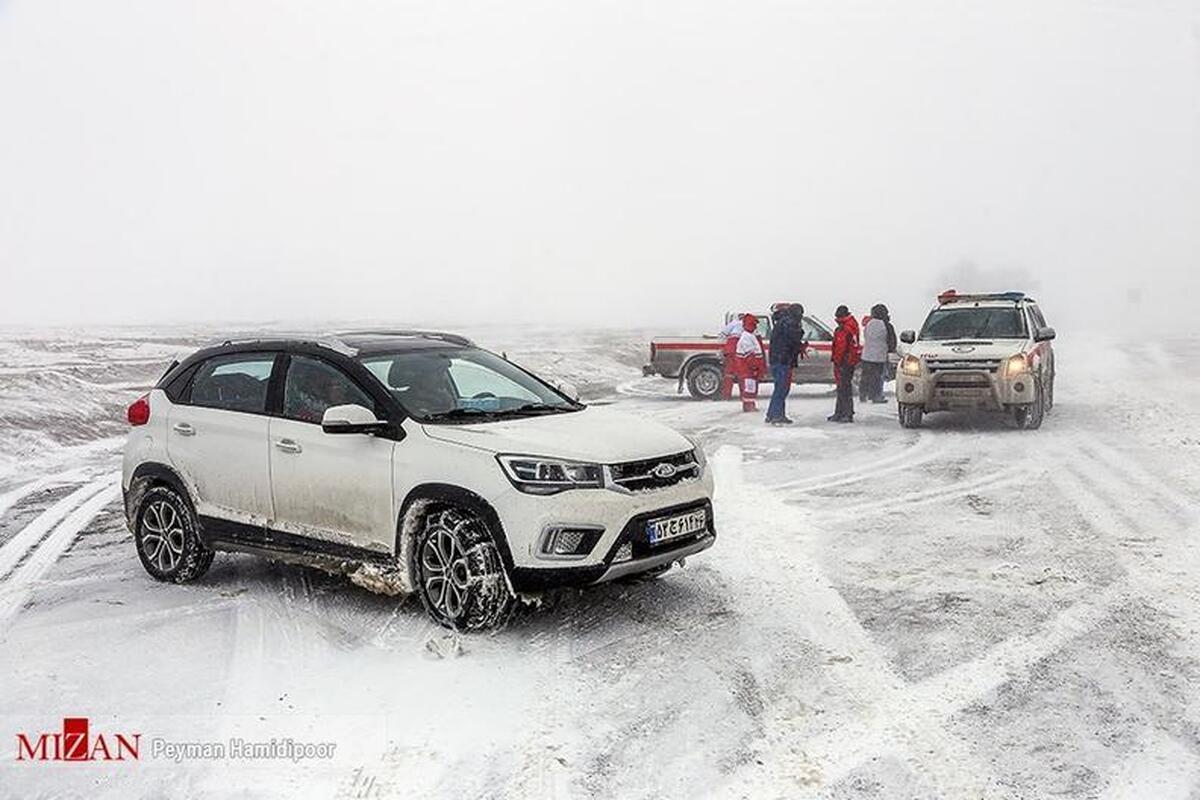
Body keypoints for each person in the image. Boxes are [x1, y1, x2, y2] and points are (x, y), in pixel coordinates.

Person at [765, 304, 806, 425]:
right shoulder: (789, 323)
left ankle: (775, 414)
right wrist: (800, 337)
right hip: (783, 360)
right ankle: (776, 415)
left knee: (780, 388)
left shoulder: (782, 322)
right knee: (782, 388)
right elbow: (793, 338)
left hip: (778, 359)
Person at [829, 305, 860, 423]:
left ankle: (844, 413)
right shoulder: (852, 325)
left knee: (843, 388)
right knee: (844, 388)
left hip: (844, 362)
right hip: (849, 361)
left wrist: (837, 361)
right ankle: (843, 412)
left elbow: (840, 348)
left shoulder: (844, 328)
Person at [733, 313, 766, 412]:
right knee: (749, 388)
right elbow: (750, 356)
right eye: (754, 325)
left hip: (747, 369)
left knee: (750, 387)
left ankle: (750, 404)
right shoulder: (747, 337)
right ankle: (748, 406)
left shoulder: (749, 336)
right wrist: (755, 368)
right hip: (747, 369)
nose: (755, 327)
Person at [860, 303, 891, 404]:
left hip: (866, 355)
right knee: (877, 377)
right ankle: (876, 396)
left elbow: (865, 336)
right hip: (879, 356)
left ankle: (863, 394)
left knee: (866, 376)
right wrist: (889, 350)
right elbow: (891, 340)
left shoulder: (868, 324)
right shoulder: (886, 325)